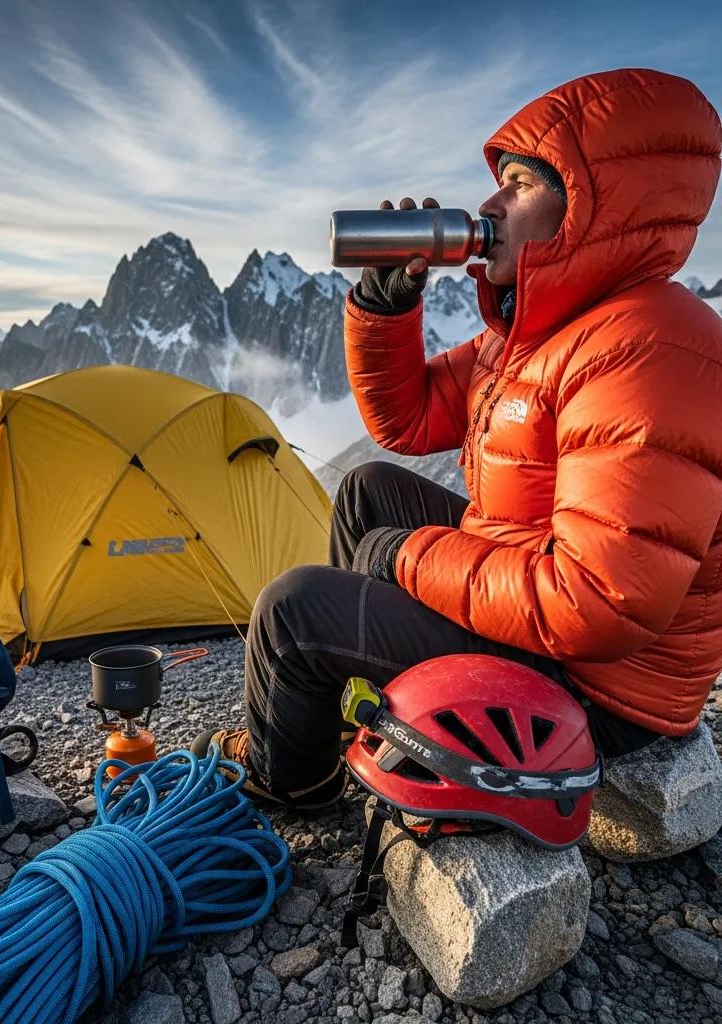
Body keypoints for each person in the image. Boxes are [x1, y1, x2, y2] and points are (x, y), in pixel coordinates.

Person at [191, 67, 722, 810]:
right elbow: (405, 419)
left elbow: (598, 604)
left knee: (293, 611)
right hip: (535, 606)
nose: (490, 205)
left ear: (596, 206)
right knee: (367, 491)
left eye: (520, 185)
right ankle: (361, 710)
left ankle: (292, 782)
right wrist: (386, 305)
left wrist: (408, 559)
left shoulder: (650, 349)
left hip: (600, 691)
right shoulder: (539, 333)